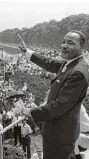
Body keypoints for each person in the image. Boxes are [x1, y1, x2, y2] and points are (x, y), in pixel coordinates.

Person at [19, 30, 89, 159]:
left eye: (70, 43)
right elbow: (50, 63)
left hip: (60, 135)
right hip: (59, 131)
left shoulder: (77, 72)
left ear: (81, 47)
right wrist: (28, 53)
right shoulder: (70, 63)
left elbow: (60, 105)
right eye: (63, 41)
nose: (64, 45)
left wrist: (31, 112)